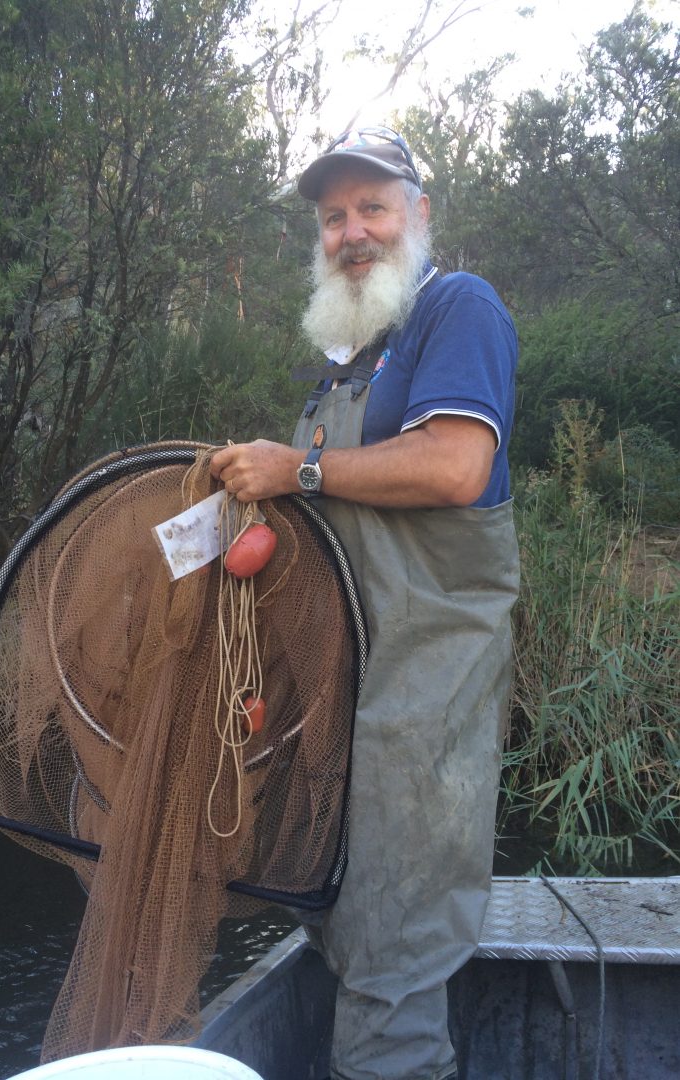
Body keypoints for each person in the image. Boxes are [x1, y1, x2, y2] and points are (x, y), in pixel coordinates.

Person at [210, 126, 520, 1080]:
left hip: (420, 720)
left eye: (373, 207)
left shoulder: (456, 310)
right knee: (342, 935)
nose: (353, 232)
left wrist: (298, 467)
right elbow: (325, 518)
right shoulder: (344, 366)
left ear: (419, 215)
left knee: (392, 976)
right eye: (334, 215)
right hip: (337, 716)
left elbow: (458, 464)